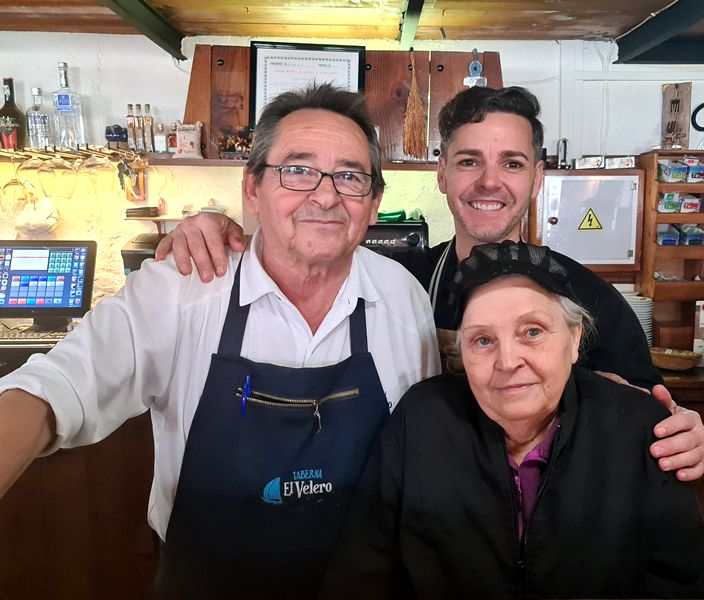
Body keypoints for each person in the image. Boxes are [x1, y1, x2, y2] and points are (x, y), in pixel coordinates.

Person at [0, 84, 439, 596]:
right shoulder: (183, 286)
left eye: (349, 176)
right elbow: (58, 386)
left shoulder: (401, 296)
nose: (325, 195)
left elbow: (423, 453)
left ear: (374, 200)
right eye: (297, 170)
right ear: (252, 189)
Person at [157, 85, 704, 482]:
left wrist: (682, 433)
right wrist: (219, 226)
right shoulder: (398, 284)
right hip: (424, 529)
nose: (490, 181)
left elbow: (654, 423)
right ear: (441, 172)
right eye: (469, 161)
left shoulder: (593, 302)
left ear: (537, 178)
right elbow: (300, 250)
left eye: (512, 164)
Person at [320, 241, 704, 599]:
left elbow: (681, 582)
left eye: (532, 332)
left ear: (574, 339)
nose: (508, 362)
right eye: (483, 340)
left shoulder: (637, 429)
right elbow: (362, 572)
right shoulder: (421, 421)